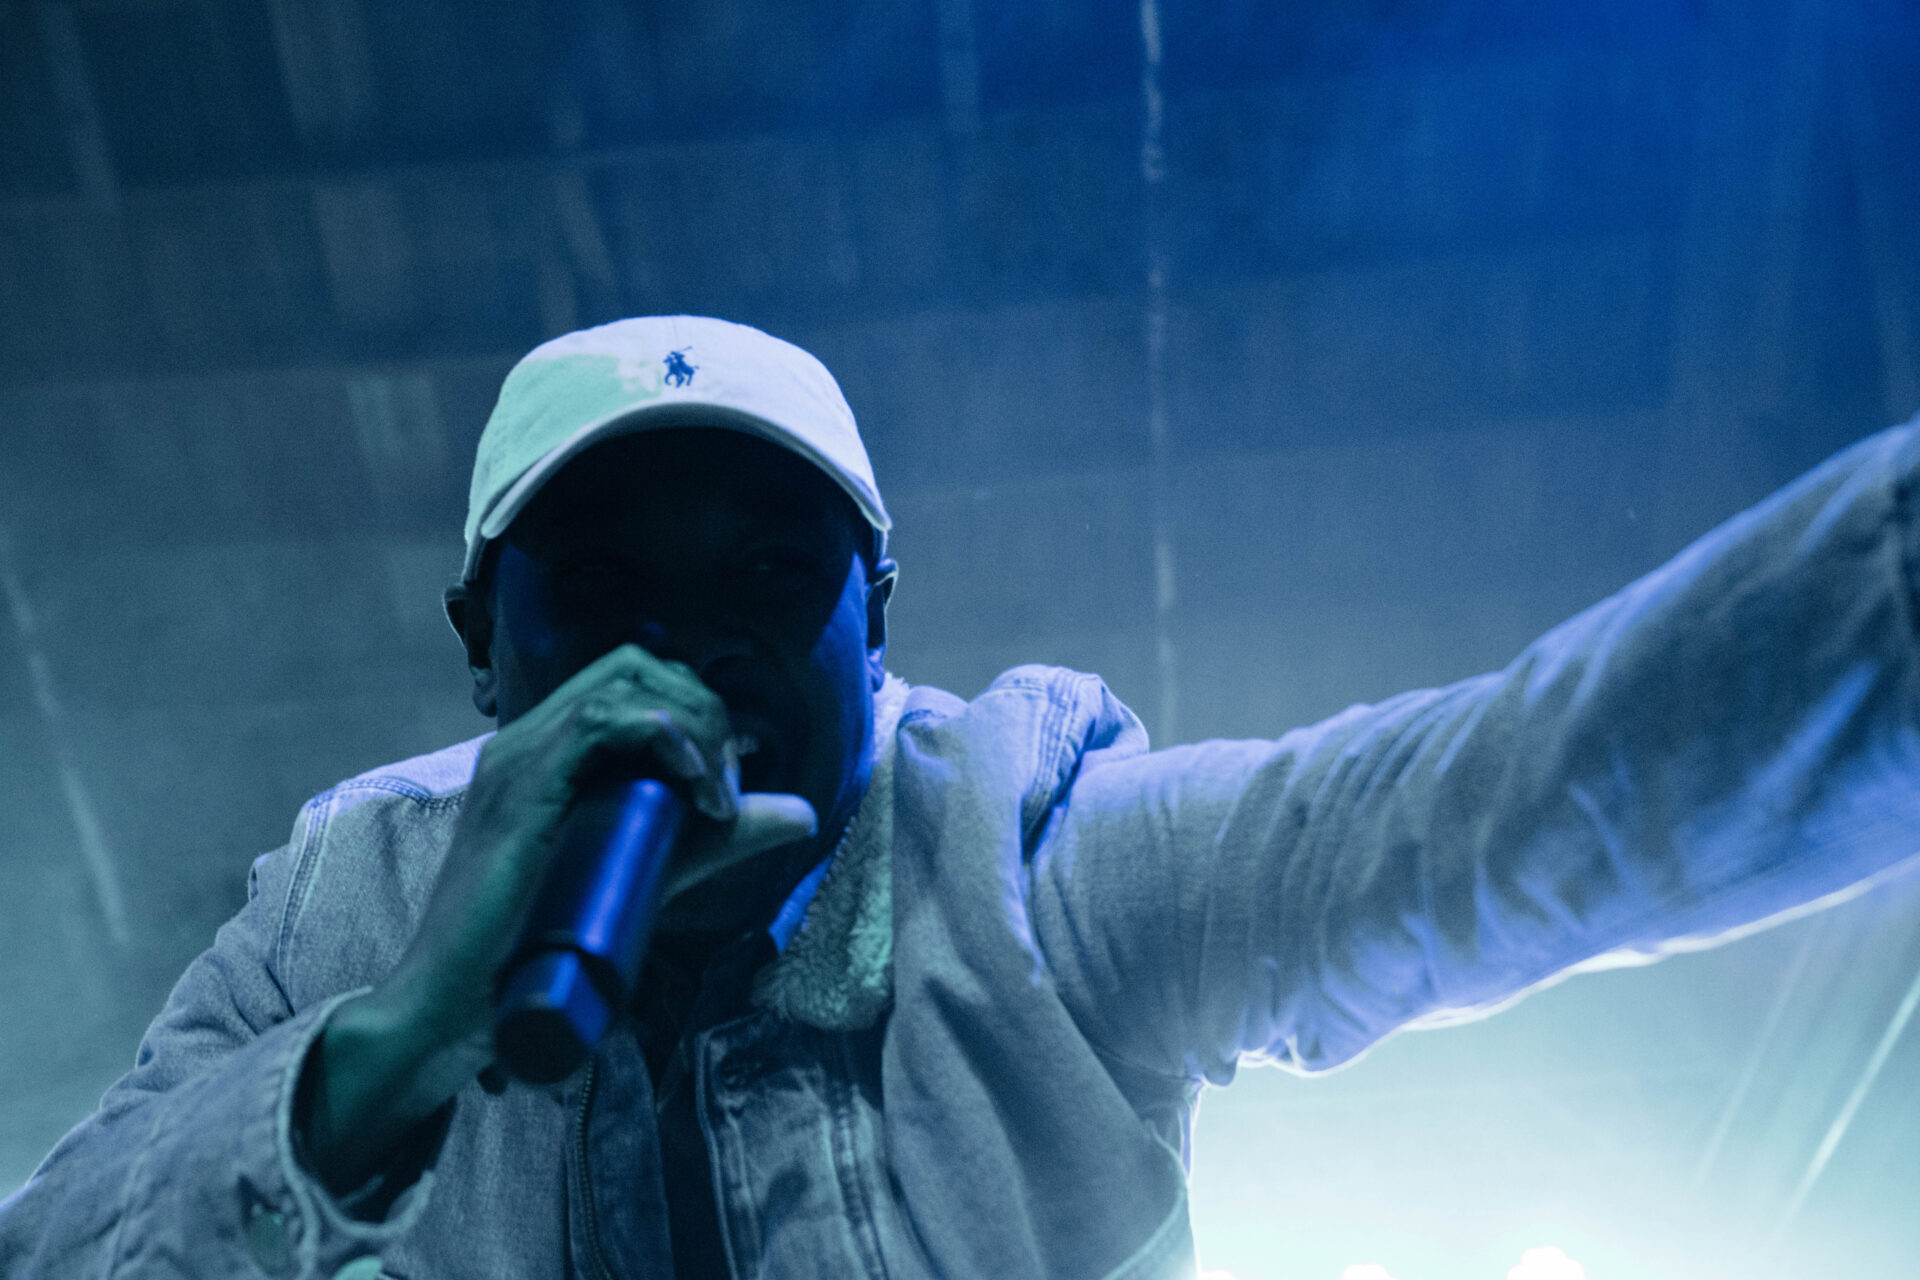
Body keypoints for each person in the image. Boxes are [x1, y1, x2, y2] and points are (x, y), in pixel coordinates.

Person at [4, 314, 1919, 1280]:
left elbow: (1496, 809)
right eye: (603, 590)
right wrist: (408, 1030)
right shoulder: (352, 905)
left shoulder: (1027, 862)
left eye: (773, 577)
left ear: (881, 623)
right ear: (482, 650)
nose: (690, 655)